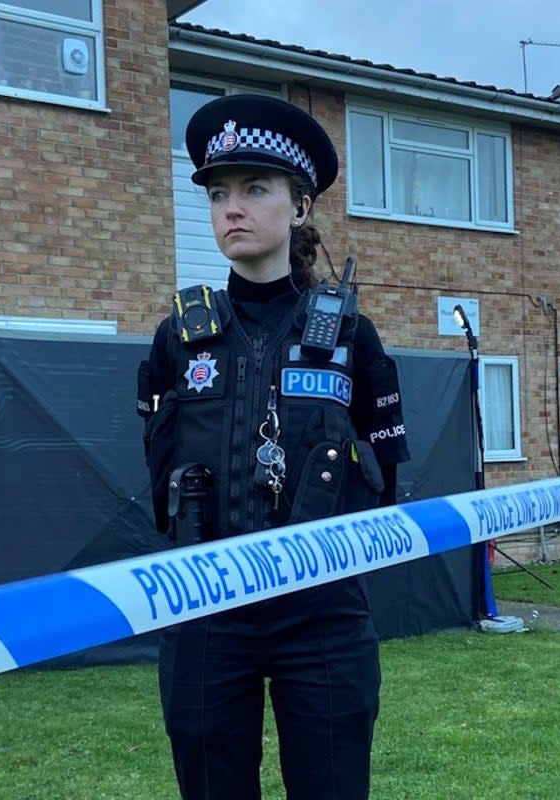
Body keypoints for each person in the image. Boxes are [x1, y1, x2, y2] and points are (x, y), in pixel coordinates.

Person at [136, 94, 410, 800]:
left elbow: (389, 480)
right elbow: (159, 467)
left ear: (299, 207)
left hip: (321, 614)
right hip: (205, 612)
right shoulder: (179, 338)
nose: (233, 208)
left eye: (255, 189)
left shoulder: (351, 337)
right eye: (220, 192)